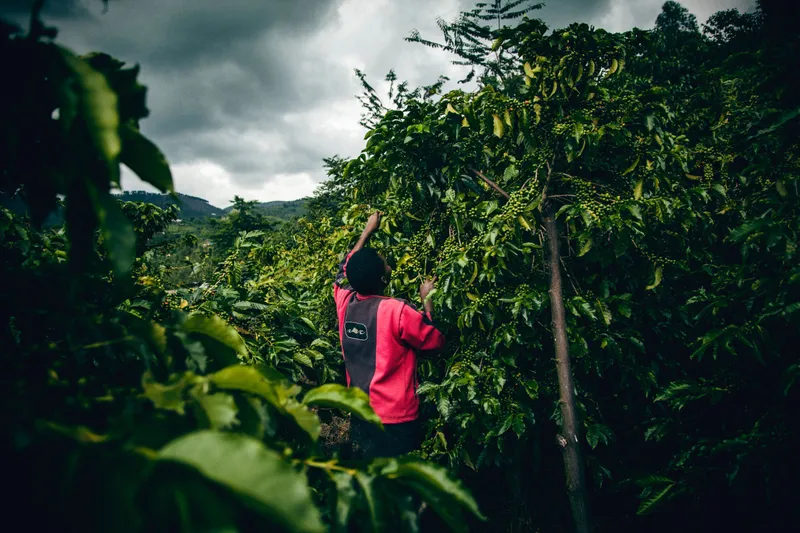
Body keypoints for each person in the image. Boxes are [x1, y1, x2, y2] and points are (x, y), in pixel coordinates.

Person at [333, 211, 445, 460]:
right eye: (386, 263)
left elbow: (342, 273)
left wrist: (367, 231)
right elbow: (434, 340)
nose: (389, 264)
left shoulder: (345, 303)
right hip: (396, 420)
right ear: (384, 278)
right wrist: (428, 301)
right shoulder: (397, 310)